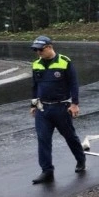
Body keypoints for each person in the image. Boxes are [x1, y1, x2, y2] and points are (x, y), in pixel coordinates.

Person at [29, 36, 87, 184]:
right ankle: (47, 171)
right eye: (36, 50)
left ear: (49, 47)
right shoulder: (36, 64)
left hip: (61, 107)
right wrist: (33, 104)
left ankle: (81, 160)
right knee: (43, 139)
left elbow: (73, 83)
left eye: (40, 49)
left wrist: (75, 104)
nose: (38, 52)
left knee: (70, 137)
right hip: (43, 109)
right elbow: (35, 86)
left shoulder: (64, 62)